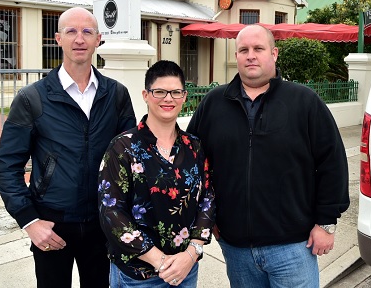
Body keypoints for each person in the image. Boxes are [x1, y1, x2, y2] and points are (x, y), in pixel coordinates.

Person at [186, 24, 350, 288]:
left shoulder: (304, 101)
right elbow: (193, 163)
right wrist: (207, 218)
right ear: (237, 56)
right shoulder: (213, 103)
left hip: (294, 246)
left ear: (274, 54)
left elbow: (332, 162)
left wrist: (326, 222)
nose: (250, 55)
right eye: (243, 50)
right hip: (236, 248)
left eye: (258, 49)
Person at [0, 7, 137, 288]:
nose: (79, 39)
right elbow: (7, 166)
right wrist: (30, 221)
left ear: (98, 40)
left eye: (87, 31)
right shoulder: (32, 98)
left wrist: (126, 215)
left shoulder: (116, 94)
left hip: (103, 222)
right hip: (52, 224)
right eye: (71, 31)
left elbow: (131, 158)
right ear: (58, 38)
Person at [98, 60, 215, 287]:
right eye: (160, 91)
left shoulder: (194, 146)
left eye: (175, 92)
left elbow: (207, 198)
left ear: (184, 96)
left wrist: (192, 253)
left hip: (186, 269)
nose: (168, 99)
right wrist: (160, 261)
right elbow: (110, 212)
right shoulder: (123, 147)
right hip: (138, 275)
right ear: (146, 95)